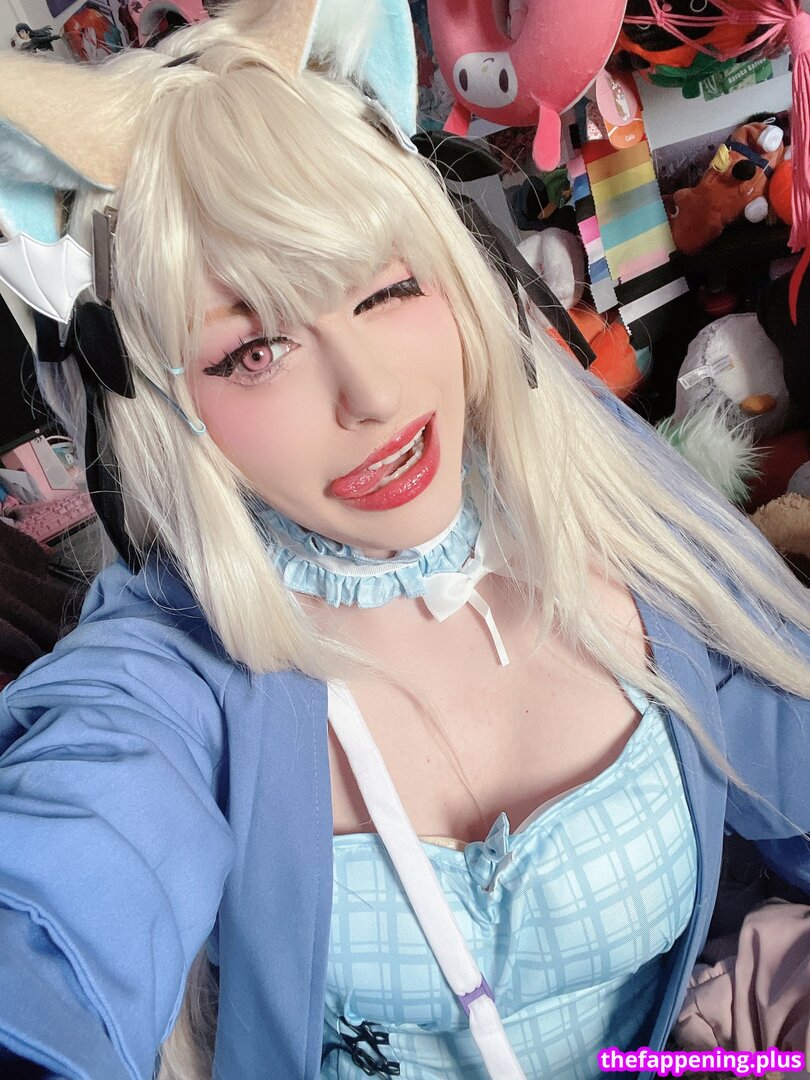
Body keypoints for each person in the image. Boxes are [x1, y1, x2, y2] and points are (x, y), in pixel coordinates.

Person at [0, 2, 810, 1078]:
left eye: (385, 290)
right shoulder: (162, 682)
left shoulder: (630, 535)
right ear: (164, 397)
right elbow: (53, 913)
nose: (373, 394)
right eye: (256, 352)